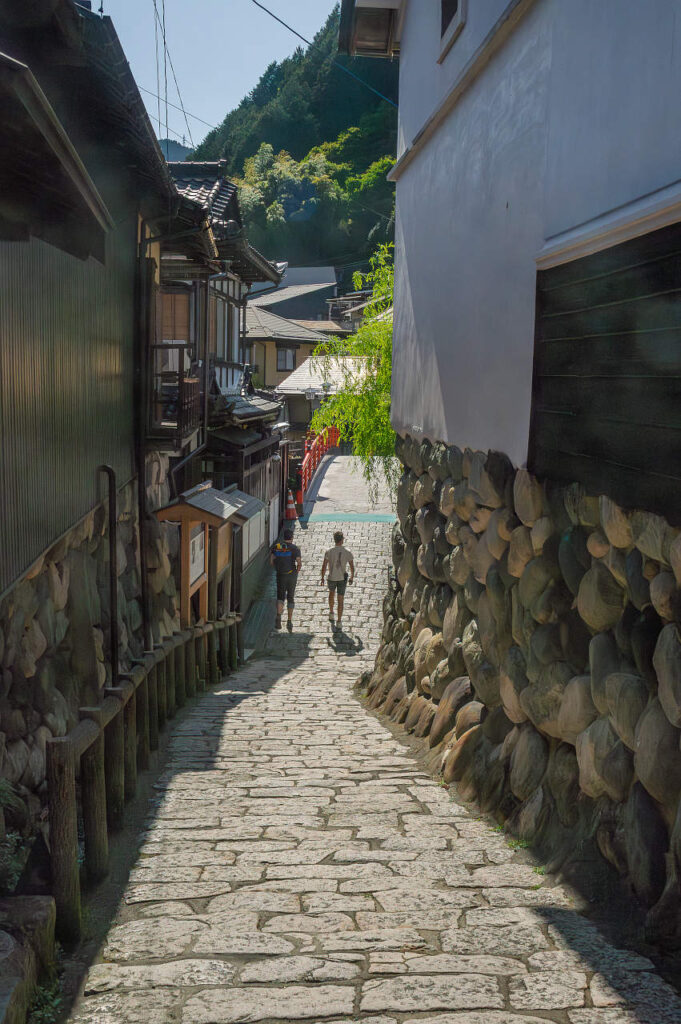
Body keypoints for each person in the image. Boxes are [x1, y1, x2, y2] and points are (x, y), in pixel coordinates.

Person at [270, 528, 301, 632]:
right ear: (291, 538)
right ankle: (289, 620)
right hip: (291, 575)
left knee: (280, 597)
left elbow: (271, 561)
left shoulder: (277, 547)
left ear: (284, 537)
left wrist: (276, 568)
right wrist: (297, 571)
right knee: (291, 597)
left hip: (280, 575)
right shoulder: (295, 548)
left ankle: (278, 617)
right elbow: (299, 563)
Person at [321, 531, 354, 629]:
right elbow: (352, 566)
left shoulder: (329, 551)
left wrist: (322, 577)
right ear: (342, 540)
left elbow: (324, 566)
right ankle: (339, 621)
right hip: (342, 578)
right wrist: (352, 576)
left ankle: (331, 612)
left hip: (332, 577)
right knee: (341, 599)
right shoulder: (347, 551)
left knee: (331, 594)